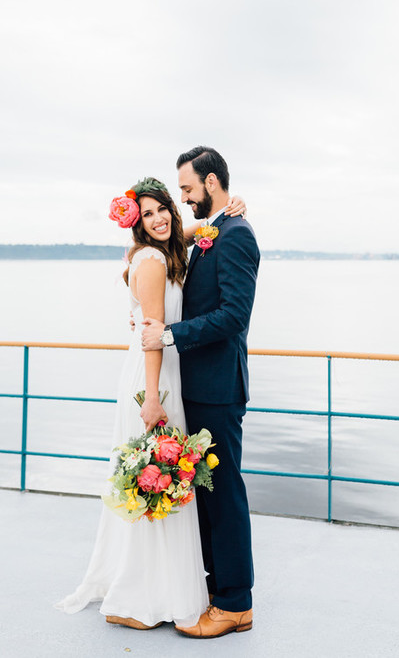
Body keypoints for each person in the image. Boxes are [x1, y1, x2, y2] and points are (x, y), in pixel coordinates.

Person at [55, 176, 246, 629]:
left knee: (161, 483)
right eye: (147, 213)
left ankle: (151, 588)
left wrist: (231, 207)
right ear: (135, 223)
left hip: (164, 377)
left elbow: (196, 229)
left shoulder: (160, 251)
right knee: (155, 481)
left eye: (164, 207)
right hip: (154, 381)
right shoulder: (153, 261)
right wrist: (155, 398)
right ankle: (140, 597)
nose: (159, 217)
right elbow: (153, 336)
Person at [142, 146, 260, 639]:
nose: (184, 199)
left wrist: (169, 335)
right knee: (205, 495)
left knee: (224, 492)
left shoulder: (235, 237)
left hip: (217, 389)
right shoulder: (214, 231)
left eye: (188, 189)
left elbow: (234, 316)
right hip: (196, 387)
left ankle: (235, 604)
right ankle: (216, 590)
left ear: (211, 183)